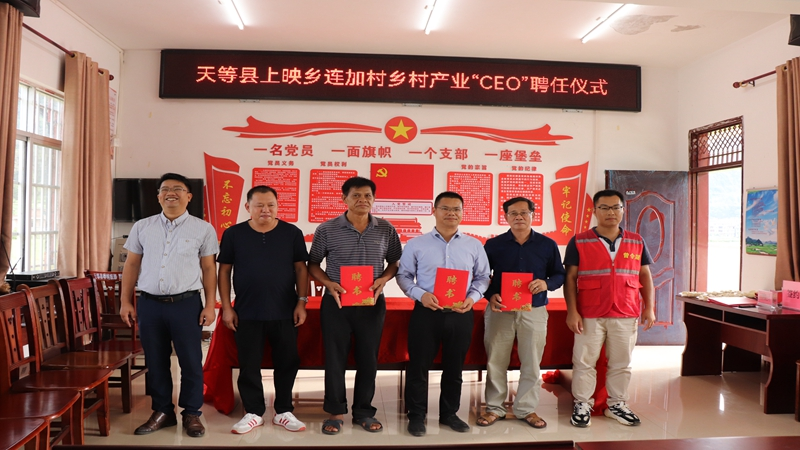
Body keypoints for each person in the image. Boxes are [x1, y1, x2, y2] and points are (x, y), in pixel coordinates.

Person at [120, 173, 218, 438]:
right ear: (158, 196)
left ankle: (192, 413)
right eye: (165, 189)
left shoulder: (203, 229)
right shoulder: (143, 226)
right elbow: (131, 264)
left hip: (186, 304)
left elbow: (209, 268)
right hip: (149, 304)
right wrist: (125, 301)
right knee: (156, 361)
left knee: (190, 361)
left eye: (178, 189)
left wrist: (210, 305)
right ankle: (162, 411)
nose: (170, 193)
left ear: (189, 196)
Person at [308, 176, 403, 435]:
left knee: (368, 358)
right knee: (334, 358)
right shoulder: (327, 229)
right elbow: (313, 264)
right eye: (356, 195)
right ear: (344, 199)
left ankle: (363, 411)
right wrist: (329, 283)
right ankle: (335, 411)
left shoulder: (386, 229)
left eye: (368, 196)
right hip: (336, 302)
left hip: (371, 303)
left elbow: (395, 262)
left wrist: (384, 279)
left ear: (374, 199)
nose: (363, 200)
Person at [396, 191, 491, 437]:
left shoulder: (474, 245)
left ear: (462, 213)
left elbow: (483, 277)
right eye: (445, 208)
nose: (451, 213)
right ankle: (416, 415)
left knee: (454, 367)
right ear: (434, 211)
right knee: (418, 366)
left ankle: (449, 414)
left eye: (456, 209)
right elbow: (403, 276)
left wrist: (472, 298)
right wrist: (420, 295)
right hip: (426, 312)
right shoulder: (417, 244)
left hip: (460, 313)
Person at [217, 186, 309, 434]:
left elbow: (301, 268)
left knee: (287, 361)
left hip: (285, 310)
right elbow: (224, 271)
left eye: (271, 205)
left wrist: (301, 302)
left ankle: (284, 411)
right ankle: (253, 412)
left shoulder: (291, 233)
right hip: (247, 311)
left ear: (277, 207)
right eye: (259, 205)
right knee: (249, 363)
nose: (265, 210)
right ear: (248, 207)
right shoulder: (234, 234)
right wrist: (226, 307)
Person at [564, 189, 655, 428]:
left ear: (623, 210)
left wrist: (649, 307)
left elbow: (645, 275)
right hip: (589, 312)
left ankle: (617, 404)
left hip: (626, 310)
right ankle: (582, 404)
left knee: (621, 363)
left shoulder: (636, 240)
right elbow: (570, 278)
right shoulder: (579, 240)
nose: (610, 212)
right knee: (584, 361)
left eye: (616, 207)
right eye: (604, 207)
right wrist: (572, 311)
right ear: (594, 211)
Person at [478, 197, 565, 429]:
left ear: (532, 215)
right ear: (505, 217)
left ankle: (526, 409)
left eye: (524, 213)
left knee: (532, 362)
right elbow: (482, 276)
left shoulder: (547, 245)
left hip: (534, 310)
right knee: (496, 361)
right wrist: (490, 295)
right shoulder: (493, 245)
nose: (519, 217)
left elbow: (559, 274)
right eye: (513, 213)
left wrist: (546, 284)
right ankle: (494, 408)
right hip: (500, 310)